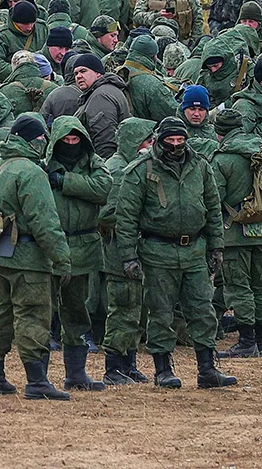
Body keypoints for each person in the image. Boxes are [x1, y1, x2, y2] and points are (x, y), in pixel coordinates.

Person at [111, 117, 236, 390]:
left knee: (203, 310)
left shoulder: (200, 166)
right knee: (161, 313)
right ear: (159, 140)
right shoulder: (140, 171)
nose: (176, 146)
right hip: (157, 251)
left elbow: (214, 209)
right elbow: (126, 218)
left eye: (181, 141)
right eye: (171, 141)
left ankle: (207, 369)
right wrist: (129, 256)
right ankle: (163, 369)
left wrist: (217, 246)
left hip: (195, 250)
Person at [0, 115, 72, 400]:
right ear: (34, 140)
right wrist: (62, 258)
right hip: (27, 257)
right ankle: (36, 381)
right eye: (42, 138)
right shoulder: (30, 172)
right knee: (32, 314)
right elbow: (44, 222)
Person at [208, 109, 262, 360]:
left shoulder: (222, 160)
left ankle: (246, 341)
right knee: (261, 286)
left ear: (219, 133)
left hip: (233, 235)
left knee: (238, 287)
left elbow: (214, 199)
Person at [43, 116, 112, 392]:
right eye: (66, 140)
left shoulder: (95, 164)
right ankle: (40, 376)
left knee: (77, 312)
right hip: (50, 246)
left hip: (83, 247)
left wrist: (65, 181)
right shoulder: (43, 166)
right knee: (42, 313)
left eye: (75, 140)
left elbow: (103, 189)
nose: (71, 144)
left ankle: (76, 373)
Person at [98, 117, 157, 386]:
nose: (152, 145)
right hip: (120, 251)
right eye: (148, 140)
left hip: (130, 248)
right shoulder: (120, 171)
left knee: (135, 308)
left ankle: (129, 364)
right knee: (123, 308)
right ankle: (114, 368)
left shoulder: (130, 167)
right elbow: (110, 213)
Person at [72, 54, 130, 159]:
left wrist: (103, 169)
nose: (78, 76)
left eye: (83, 71)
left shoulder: (101, 96)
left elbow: (105, 141)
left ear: (98, 73)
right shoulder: (106, 90)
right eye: (76, 73)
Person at [0, 0, 47, 84]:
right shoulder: (1, 36)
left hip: (44, 79)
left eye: (32, 23)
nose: (29, 27)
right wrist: (23, 72)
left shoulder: (43, 28)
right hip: (14, 83)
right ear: (15, 22)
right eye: (25, 24)